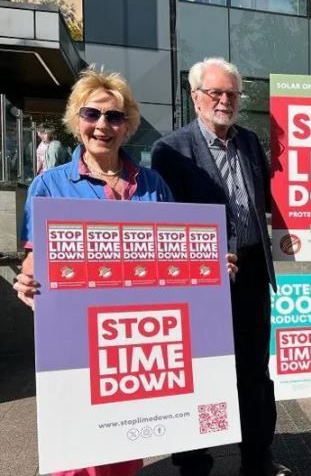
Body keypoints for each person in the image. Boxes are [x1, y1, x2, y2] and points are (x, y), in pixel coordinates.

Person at [13, 68, 175, 476]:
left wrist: (209, 266)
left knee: (124, 448)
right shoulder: (49, 186)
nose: (102, 125)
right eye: (92, 114)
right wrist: (27, 283)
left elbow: (174, 254)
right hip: (74, 340)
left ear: (127, 126)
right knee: (73, 452)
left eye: (114, 117)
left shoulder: (153, 185)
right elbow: (34, 261)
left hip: (136, 343)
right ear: (77, 121)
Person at [151, 57, 289, 476]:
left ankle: (257, 457)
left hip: (250, 274)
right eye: (216, 92)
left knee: (254, 372)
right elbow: (166, 224)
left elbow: (267, 196)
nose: (225, 100)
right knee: (199, 374)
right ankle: (195, 464)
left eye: (232, 93)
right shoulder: (171, 150)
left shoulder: (248, 141)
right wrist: (203, 259)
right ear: (195, 98)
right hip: (200, 284)